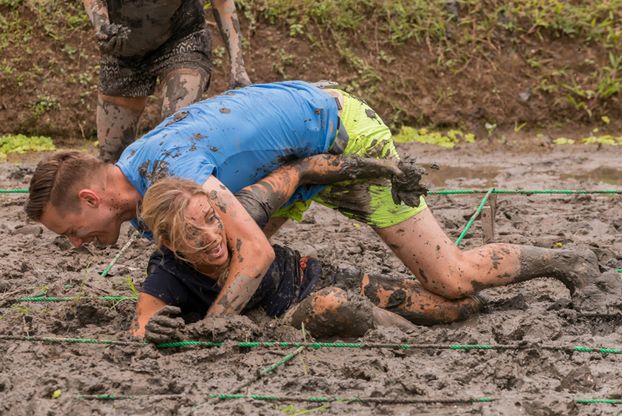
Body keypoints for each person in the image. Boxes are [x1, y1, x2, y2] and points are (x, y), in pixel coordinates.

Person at [26, 81, 604, 326]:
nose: (74, 244)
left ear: (90, 196)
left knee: (452, 279)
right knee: (231, 252)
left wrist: (218, 326)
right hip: (290, 164)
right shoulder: (145, 183)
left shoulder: (168, 171)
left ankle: (572, 263)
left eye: (70, 230)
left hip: (336, 135)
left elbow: (252, 254)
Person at [136, 177, 485, 342]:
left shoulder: (232, 226)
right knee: (334, 304)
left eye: (212, 220)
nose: (212, 238)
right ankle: (409, 339)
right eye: (193, 235)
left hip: (314, 274)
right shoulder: (167, 273)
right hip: (292, 314)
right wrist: (154, 330)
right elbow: (141, 326)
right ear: (169, 242)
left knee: (457, 307)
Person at [83, 0, 251, 162]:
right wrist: (102, 25)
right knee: (111, 156)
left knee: (174, 135)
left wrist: (238, 67)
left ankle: (174, 184)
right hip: (124, 44)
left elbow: (222, 3)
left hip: (182, 37)